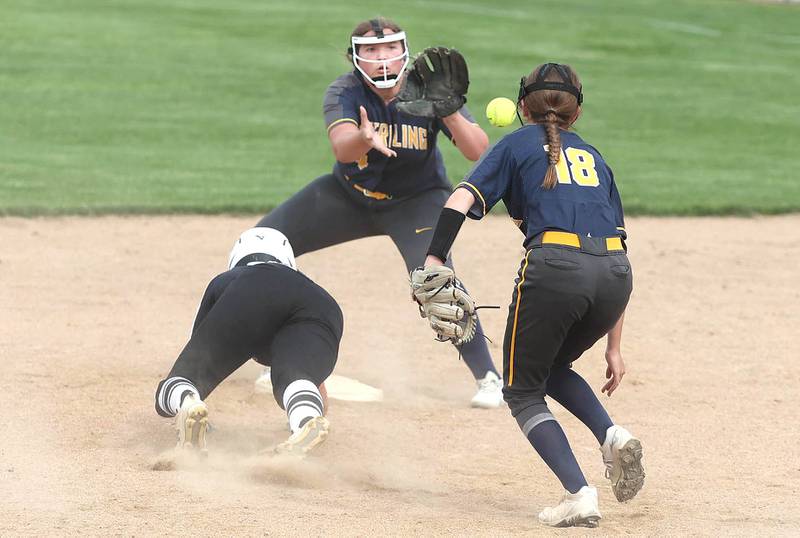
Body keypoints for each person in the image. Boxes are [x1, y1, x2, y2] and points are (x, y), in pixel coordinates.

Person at [412, 63, 645, 527]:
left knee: (521, 391)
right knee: (552, 366)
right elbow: (618, 244)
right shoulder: (595, 157)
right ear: (576, 113)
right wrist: (614, 347)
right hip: (616, 275)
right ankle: (613, 435)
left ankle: (579, 494)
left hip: (556, 271)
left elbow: (459, 200)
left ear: (522, 107)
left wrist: (434, 260)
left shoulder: (517, 143)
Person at [254, 17, 503, 408]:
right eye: (371, 51)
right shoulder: (344, 91)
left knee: (436, 279)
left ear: (404, 51)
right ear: (356, 58)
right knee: (264, 244)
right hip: (349, 196)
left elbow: (476, 149)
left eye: (389, 49)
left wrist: (450, 110)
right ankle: (279, 355)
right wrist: (363, 137)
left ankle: (488, 377)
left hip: (417, 201)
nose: (382, 59)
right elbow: (342, 148)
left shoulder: (427, 87)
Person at [155, 227, 343, 456]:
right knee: (297, 378)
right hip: (322, 305)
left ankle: (187, 403)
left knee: (176, 385)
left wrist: (192, 384)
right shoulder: (305, 285)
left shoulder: (229, 279)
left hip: (248, 291)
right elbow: (317, 379)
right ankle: (305, 421)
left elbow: (196, 352)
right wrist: (316, 405)